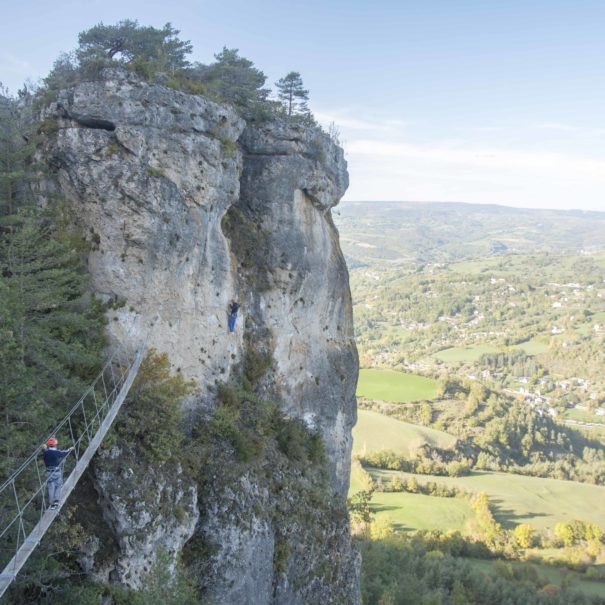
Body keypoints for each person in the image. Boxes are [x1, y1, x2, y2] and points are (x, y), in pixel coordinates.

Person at [42, 437, 73, 510]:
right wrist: (70, 449)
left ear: (49, 445)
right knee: (59, 485)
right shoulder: (56, 452)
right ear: (55, 445)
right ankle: (56, 501)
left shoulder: (45, 452)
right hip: (56, 472)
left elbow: (44, 450)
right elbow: (64, 453)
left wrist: (43, 448)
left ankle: (51, 503)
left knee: (51, 487)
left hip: (48, 472)